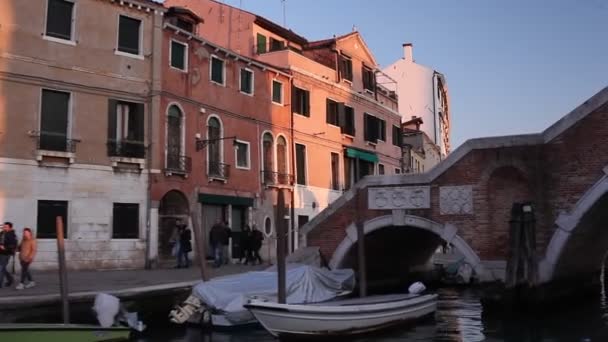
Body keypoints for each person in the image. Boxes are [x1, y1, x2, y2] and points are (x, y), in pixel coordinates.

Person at [0, 222, 17, 288]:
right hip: (0, 252)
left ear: (10, 228)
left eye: (6, 227)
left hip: (6, 254)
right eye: (4, 226)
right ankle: (10, 279)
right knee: (2, 268)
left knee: (1, 268)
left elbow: (13, 245)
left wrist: (5, 247)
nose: (4, 228)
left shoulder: (12, 235)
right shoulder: (2, 233)